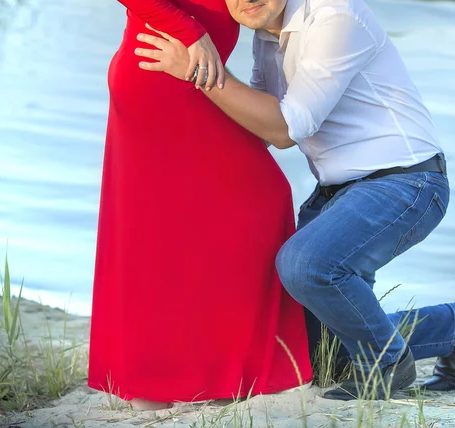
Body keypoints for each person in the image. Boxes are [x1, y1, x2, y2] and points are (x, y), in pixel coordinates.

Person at [134, 0, 455, 400]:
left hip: (406, 183)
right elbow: (260, 122)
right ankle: (454, 326)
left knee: (305, 264)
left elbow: (285, 129)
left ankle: (386, 363)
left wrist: (198, 71)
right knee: (323, 356)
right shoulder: (266, 39)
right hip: (336, 195)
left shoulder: (335, 16)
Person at [87, 0, 313, 411]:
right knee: (169, 226)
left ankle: (210, 371)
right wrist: (191, 32)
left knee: (234, 206)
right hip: (158, 78)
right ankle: (156, 381)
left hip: (186, 81)